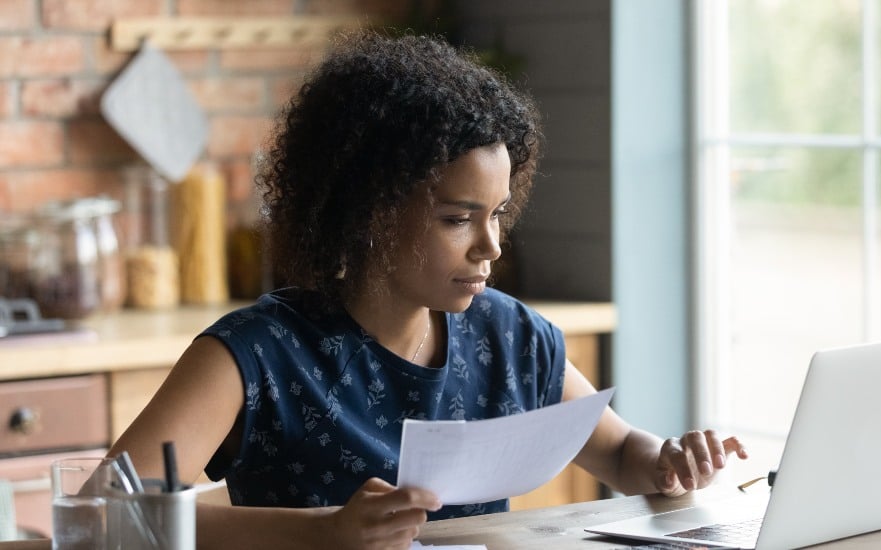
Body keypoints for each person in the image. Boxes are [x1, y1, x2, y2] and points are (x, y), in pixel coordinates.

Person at [108, 30, 747, 550]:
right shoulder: (257, 353)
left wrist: (670, 459)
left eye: (497, 215)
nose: (491, 246)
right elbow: (112, 515)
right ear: (369, 211)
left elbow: (624, 454)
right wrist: (324, 534)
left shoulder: (511, 336)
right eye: (457, 219)